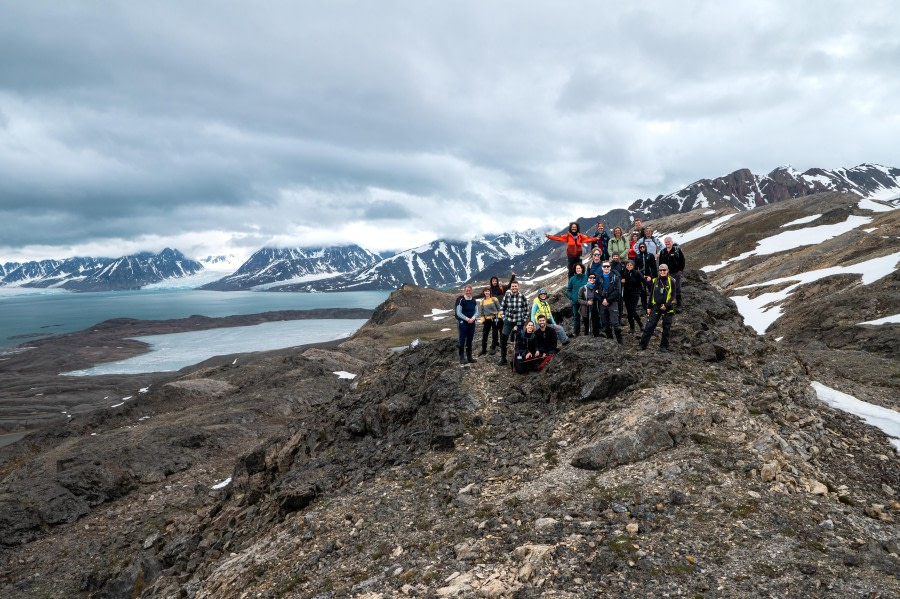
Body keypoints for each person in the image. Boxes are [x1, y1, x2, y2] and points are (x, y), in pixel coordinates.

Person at [640, 264, 677, 352]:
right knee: (649, 325)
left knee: (666, 327)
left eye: (664, 270)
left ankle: (663, 346)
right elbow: (651, 294)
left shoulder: (672, 281)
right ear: (658, 271)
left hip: (667, 307)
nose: (662, 272)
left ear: (667, 271)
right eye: (660, 270)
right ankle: (642, 345)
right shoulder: (655, 281)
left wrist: (666, 305)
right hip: (656, 306)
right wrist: (649, 307)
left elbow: (673, 295)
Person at [498, 280, 528, 366]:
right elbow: (502, 308)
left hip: (518, 321)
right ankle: (503, 358)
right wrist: (504, 318)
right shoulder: (506, 297)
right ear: (511, 287)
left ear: (518, 287)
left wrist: (523, 320)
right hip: (508, 321)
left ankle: (518, 357)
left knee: (519, 339)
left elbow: (526, 309)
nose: (514, 287)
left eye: (516, 286)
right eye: (513, 286)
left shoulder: (522, 297)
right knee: (503, 339)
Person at [598, 261, 624, 344]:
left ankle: (620, 342)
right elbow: (595, 292)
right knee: (605, 323)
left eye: (607, 266)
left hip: (612, 302)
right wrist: (602, 300)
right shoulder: (598, 279)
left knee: (615, 323)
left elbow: (618, 291)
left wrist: (608, 300)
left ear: (610, 267)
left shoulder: (615, 278)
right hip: (602, 303)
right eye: (604, 266)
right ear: (602, 268)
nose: (606, 268)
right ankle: (610, 341)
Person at [658, 237, 686, 310]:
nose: (667, 243)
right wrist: (662, 272)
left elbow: (682, 260)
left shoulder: (677, 250)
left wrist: (680, 270)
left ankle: (679, 305)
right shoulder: (663, 251)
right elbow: (660, 262)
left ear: (672, 242)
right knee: (667, 289)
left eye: (669, 241)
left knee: (677, 288)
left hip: (676, 273)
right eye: (666, 242)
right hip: (666, 274)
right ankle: (668, 304)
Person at [455, 285, 481, 364]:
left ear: (471, 291)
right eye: (467, 290)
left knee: (470, 339)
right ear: (464, 291)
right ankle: (462, 358)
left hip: (472, 322)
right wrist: (467, 319)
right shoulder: (461, 300)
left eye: (469, 290)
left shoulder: (473, 300)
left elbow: (477, 311)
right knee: (462, 339)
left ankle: (469, 357)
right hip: (463, 323)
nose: (468, 292)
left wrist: (473, 318)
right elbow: (458, 312)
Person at [622, 260, 646, 336]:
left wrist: (652, 285)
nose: (629, 266)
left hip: (635, 293)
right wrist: (621, 281)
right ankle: (632, 327)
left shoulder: (637, 273)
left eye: (630, 265)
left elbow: (644, 281)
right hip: (626, 294)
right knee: (629, 311)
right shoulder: (624, 273)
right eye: (627, 265)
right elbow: (620, 281)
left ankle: (640, 324)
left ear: (633, 266)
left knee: (632, 309)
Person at [478, 286, 501, 356]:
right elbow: (481, 312)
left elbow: (499, 309)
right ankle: (483, 350)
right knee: (485, 335)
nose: (487, 292)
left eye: (488, 291)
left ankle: (493, 348)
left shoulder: (494, 299)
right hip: (487, 319)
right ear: (483, 293)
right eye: (485, 291)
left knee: (495, 333)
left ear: (490, 292)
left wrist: (499, 317)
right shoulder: (482, 302)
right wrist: (483, 320)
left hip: (495, 318)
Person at [566, 263, 588, 336]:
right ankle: (576, 332)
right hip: (575, 301)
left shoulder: (586, 277)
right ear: (575, 270)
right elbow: (568, 290)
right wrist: (572, 297)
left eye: (579, 268)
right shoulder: (572, 279)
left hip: (584, 301)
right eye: (577, 268)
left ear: (582, 269)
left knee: (585, 316)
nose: (578, 269)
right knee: (576, 317)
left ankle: (587, 332)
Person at [578, 273, 602, 337]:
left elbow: (600, 298)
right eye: (590, 277)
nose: (592, 279)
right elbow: (579, 299)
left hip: (595, 308)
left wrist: (597, 294)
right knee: (587, 325)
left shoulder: (597, 288)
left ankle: (596, 337)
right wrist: (587, 302)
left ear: (595, 279)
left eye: (593, 278)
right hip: (586, 309)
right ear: (588, 279)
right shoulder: (583, 288)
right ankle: (587, 337)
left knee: (595, 324)